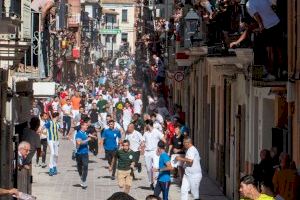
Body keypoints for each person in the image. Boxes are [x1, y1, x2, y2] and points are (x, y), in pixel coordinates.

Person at [143, 120, 166, 190]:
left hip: (155, 151)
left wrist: (160, 149)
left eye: (145, 125)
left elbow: (164, 140)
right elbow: (143, 142)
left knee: (156, 167)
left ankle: (156, 183)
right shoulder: (145, 133)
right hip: (147, 152)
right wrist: (141, 146)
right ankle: (151, 183)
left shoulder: (156, 131)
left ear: (148, 124)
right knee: (148, 169)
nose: (145, 126)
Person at [75, 120, 96, 189]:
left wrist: (94, 137)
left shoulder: (85, 132)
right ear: (82, 126)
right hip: (78, 153)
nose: (87, 126)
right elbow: (79, 143)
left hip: (85, 153)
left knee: (86, 166)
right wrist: (88, 140)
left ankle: (84, 181)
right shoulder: (78, 134)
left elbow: (88, 135)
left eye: (87, 125)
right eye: (86, 125)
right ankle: (82, 176)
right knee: (79, 167)